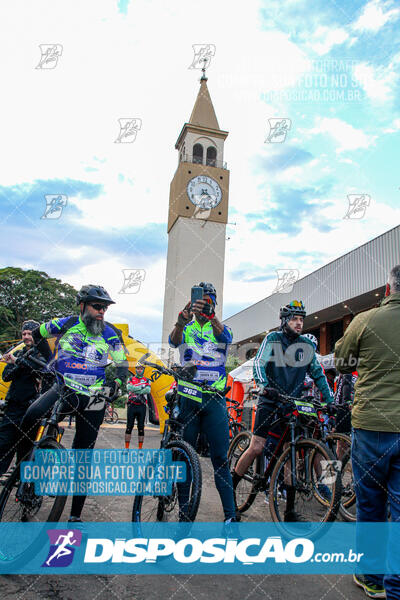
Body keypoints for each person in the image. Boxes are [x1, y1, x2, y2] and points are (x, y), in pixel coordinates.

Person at [19, 284, 129, 523]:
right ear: (82, 306)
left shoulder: (111, 332)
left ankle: (75, 514)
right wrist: (50, 361)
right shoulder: (65, 324)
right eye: (97, 306)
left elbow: (122, 364)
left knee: (83, 453)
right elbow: (37, 333)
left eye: (105, 308)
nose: (101, 312)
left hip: (95, 396)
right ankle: (23, 469)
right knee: (31, 415)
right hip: (64, 388)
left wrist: (118, 382)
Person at [232, 300, 334, 521]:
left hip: (292, 404)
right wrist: (262, 386)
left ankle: (289, 512)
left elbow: (318, 374)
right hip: (270, 399)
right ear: (285, 320)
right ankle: (231, 488)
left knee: (288, 455)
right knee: (257, 446)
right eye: (295, 319)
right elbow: (259, 363)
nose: (299, 324)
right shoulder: (273, 339)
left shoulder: (306, 346)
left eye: (301, 320)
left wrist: (330, 401)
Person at [335, 265, 400, 599]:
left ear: (387, 290)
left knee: (371, 505)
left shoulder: (364, 320)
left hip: (372, 425)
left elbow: (343, 364)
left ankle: (371, 578)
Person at [169, 281, 237, 522]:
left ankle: (230, 517)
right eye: (200, 299)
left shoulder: (220, 327)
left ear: (214, 304)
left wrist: (212, 317)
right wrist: (180, 321)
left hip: (214, 399)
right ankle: (183, 513)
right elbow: (174, 340)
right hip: (188, 398)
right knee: (185, 457)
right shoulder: (186, 327)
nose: (203, 304)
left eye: (208, 301)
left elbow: (226, 337)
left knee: (220, 458)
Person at [0, 320, 51, 477]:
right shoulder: (19, 354)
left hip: (32, 408)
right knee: (3, 443)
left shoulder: (43, 354)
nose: (27, 337)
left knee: (26, 447)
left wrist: (17, 363)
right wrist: (16, 362)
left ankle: (22, 482)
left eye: (30, 333)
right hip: (13, 406)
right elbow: (6, 376)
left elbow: (39, 368)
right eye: (24, 334)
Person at [125, 365, 151, 449]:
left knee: (141, 428)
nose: (139, 370)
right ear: (135, 369)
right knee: (129, 427)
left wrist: (135, 388)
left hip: (141, 406)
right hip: (131, 406)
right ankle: (126, 448)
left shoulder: (147, 380)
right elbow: (129, 388)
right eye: (138, 369)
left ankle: (140, 449)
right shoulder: (130, 379)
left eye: (141, 369)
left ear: (143, 370)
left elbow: (148, 390)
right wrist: (141, 387)